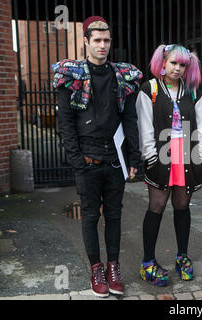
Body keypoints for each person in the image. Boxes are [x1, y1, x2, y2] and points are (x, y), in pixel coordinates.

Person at [53, 16, 142, 297]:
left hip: (115, 161)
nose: (102, 46)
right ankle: (96, 269)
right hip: (87, 162)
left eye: (107, 41)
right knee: (90, 216)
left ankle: (113, 267)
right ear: (86, 42)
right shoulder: (72, 77)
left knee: (114, 216)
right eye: (97, 41)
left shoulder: (122, 76)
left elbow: (130, 119)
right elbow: (65, 122)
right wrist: (76, 159)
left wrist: (134, 159)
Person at [135, 44, 202, 286]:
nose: (177, 68)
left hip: (187, 155)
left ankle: (182, 257)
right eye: (173, 63)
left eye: (182, 65)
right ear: (163, 62)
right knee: (156, 205)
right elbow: (144, 124)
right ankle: (147, 262)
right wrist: (150, 156)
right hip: (161, 155)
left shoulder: (192, 91)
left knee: (182, 206)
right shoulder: (150, 89)